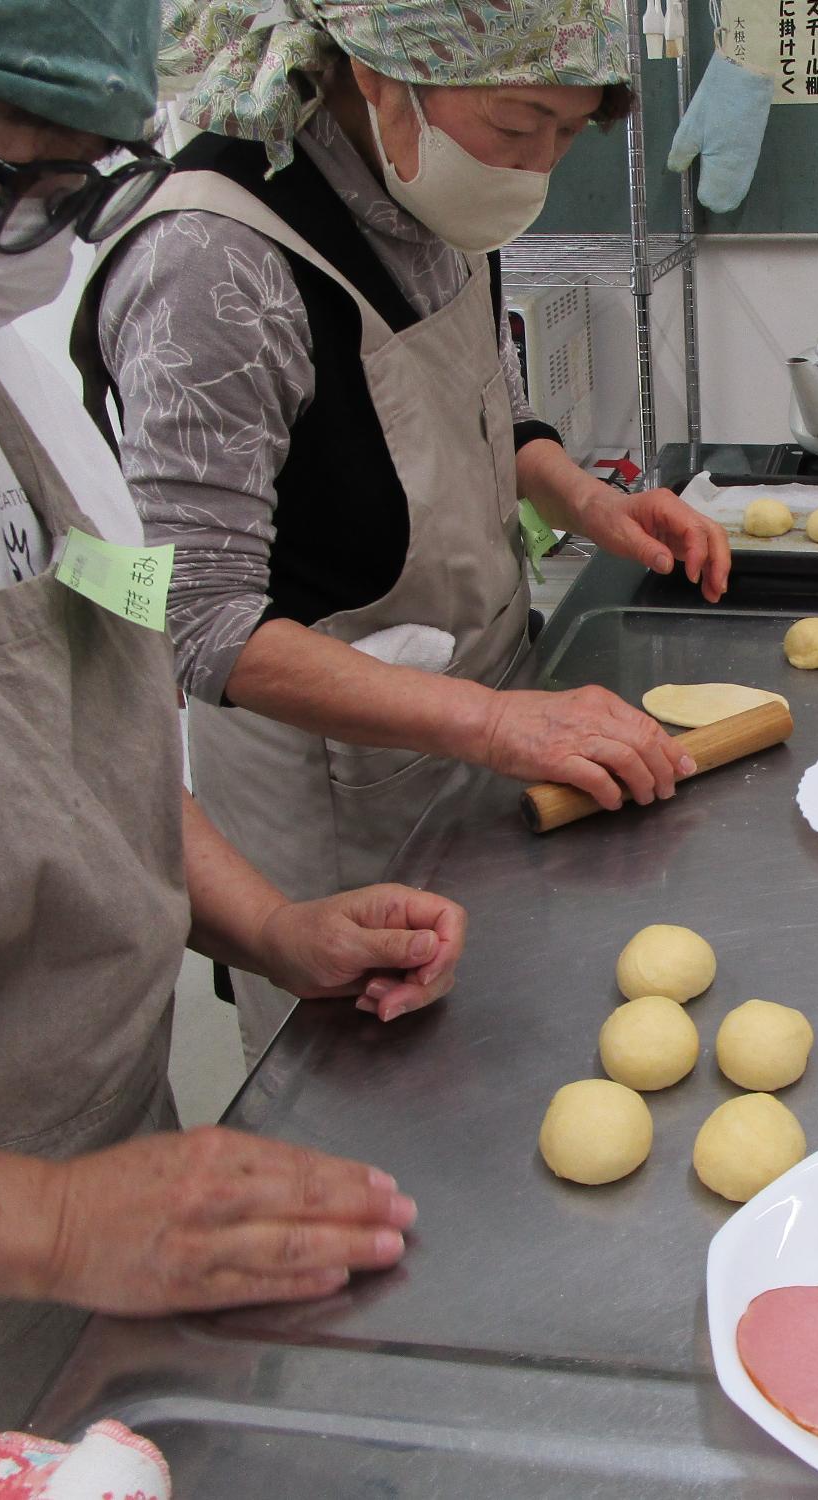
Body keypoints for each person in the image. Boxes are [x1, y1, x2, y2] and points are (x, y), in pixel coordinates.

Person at [0, 7, 469, 1494]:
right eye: (16, 172)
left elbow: (105, 699)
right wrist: (62, 1227)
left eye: (86, 181)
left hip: (122, 1204)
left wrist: (269, 924)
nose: (45, 246)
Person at [81, 0, 733, 1057]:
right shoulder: (211, 264)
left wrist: (587, 500)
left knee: (524, 1049)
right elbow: (193, 617)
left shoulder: (432, 191)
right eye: (516, 125)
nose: (535, 168)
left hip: (494, 724)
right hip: (337, 798)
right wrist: (492, 724)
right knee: (377, 1095)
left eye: (569, 134)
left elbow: (484, 406)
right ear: (381, 75)